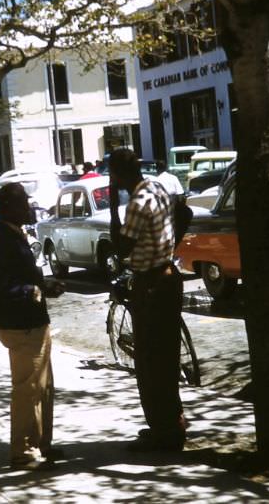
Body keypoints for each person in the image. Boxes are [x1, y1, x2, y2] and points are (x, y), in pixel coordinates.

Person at [0, 182, 65, 471]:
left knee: (41, 388)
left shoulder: (13, 236)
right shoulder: (2, 241)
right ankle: (23, 451)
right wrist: (34, 291)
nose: (28, 207)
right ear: (9, 208)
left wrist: (44, 285)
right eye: (23, 203)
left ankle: (41, 444)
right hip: (22, 327)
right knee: (28, 389)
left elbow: (21, 277)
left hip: (32, 324)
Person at [108, 148, 187, 452]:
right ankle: (172, 423)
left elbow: (120, 246)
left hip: (152, 283)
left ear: (116, 175)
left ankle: (164, 432)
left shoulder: (138, 202)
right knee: (166, 358)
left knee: (150, 362)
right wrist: (168, 247)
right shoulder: (158, 187)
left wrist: (114, 207)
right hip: (168, 274)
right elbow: (184, 213)